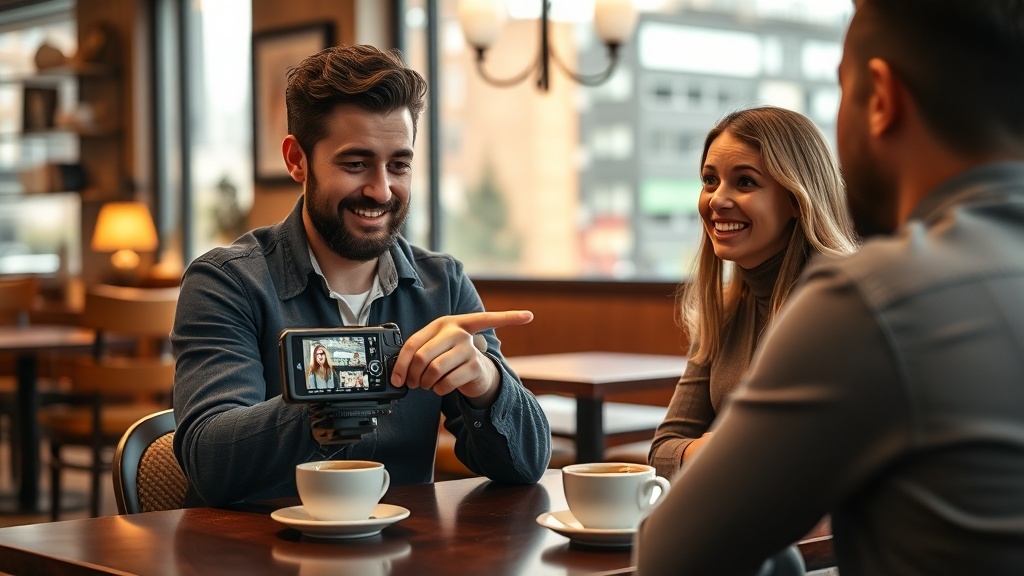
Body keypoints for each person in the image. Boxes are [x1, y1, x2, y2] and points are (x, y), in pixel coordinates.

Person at [636, 1, 1024, 574]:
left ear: (880, 96)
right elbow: (668, 445)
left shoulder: (869, 301)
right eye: (710, 180)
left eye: (841, 91)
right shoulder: (750, 303)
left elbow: (672, 555)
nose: (717, 199)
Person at [171, 44, 551, 507]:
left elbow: (528, 464)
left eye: (399, 164)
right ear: (297, 160)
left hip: (402, 554)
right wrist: (339, 395)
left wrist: (486, 384)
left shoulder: (444, 285)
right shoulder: (226, 282)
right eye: (356, 164)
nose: (381, 189)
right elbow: (209, 462)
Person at [648, 105, 858, 479]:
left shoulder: (842, 305)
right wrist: (722, 449)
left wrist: (708, 451)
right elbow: (663, 451)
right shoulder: (725, 309)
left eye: (745, 182)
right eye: (710, 180)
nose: (716, 200)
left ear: (796, 199)